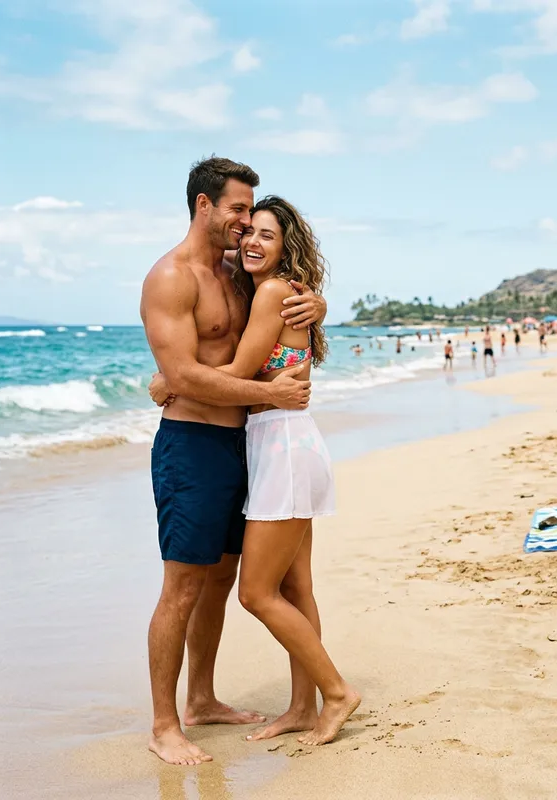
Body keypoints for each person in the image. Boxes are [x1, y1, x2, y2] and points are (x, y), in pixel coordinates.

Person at [150, 196, 360, 747]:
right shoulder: (273, 289)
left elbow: (240, 370)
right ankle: (302, 707)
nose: (251, 239)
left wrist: (172, 379)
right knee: (296, 586)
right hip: (281, 444)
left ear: (286, 247)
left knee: (256, 594)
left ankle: (336, 692)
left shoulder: (270, 292)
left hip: (282, 448)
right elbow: (254, 369)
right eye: (249, 231)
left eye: (267, 234)